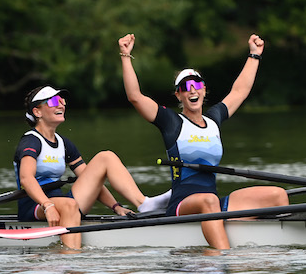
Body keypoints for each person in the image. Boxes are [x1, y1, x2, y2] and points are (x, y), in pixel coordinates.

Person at [118, 33, 289, 250]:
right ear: (178, 96)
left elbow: (240, 91)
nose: (192, 89)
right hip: (183, 203)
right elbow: (135, 96)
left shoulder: (214, 119)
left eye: (197, 83)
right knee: (209, 200)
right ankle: (224, 258)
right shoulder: (171, 122)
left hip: (213, 201)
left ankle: (267, 250)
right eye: (185, 86)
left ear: (204, 90)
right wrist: (125, 55)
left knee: (277, 195)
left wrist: (254, 55)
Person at [15, 86, 170, 248]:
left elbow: (91, 180)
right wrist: (48, 205)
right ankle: (70, 257)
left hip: (62, 203)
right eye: (54, 101)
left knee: (106, 157)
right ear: (37, 112)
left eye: (62, 101)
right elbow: (26, 178)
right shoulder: (31, 141)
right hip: (35, 206)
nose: (61, 105)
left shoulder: (64, 143)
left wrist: (116, 207)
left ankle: (143, 203)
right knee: (70, 205)